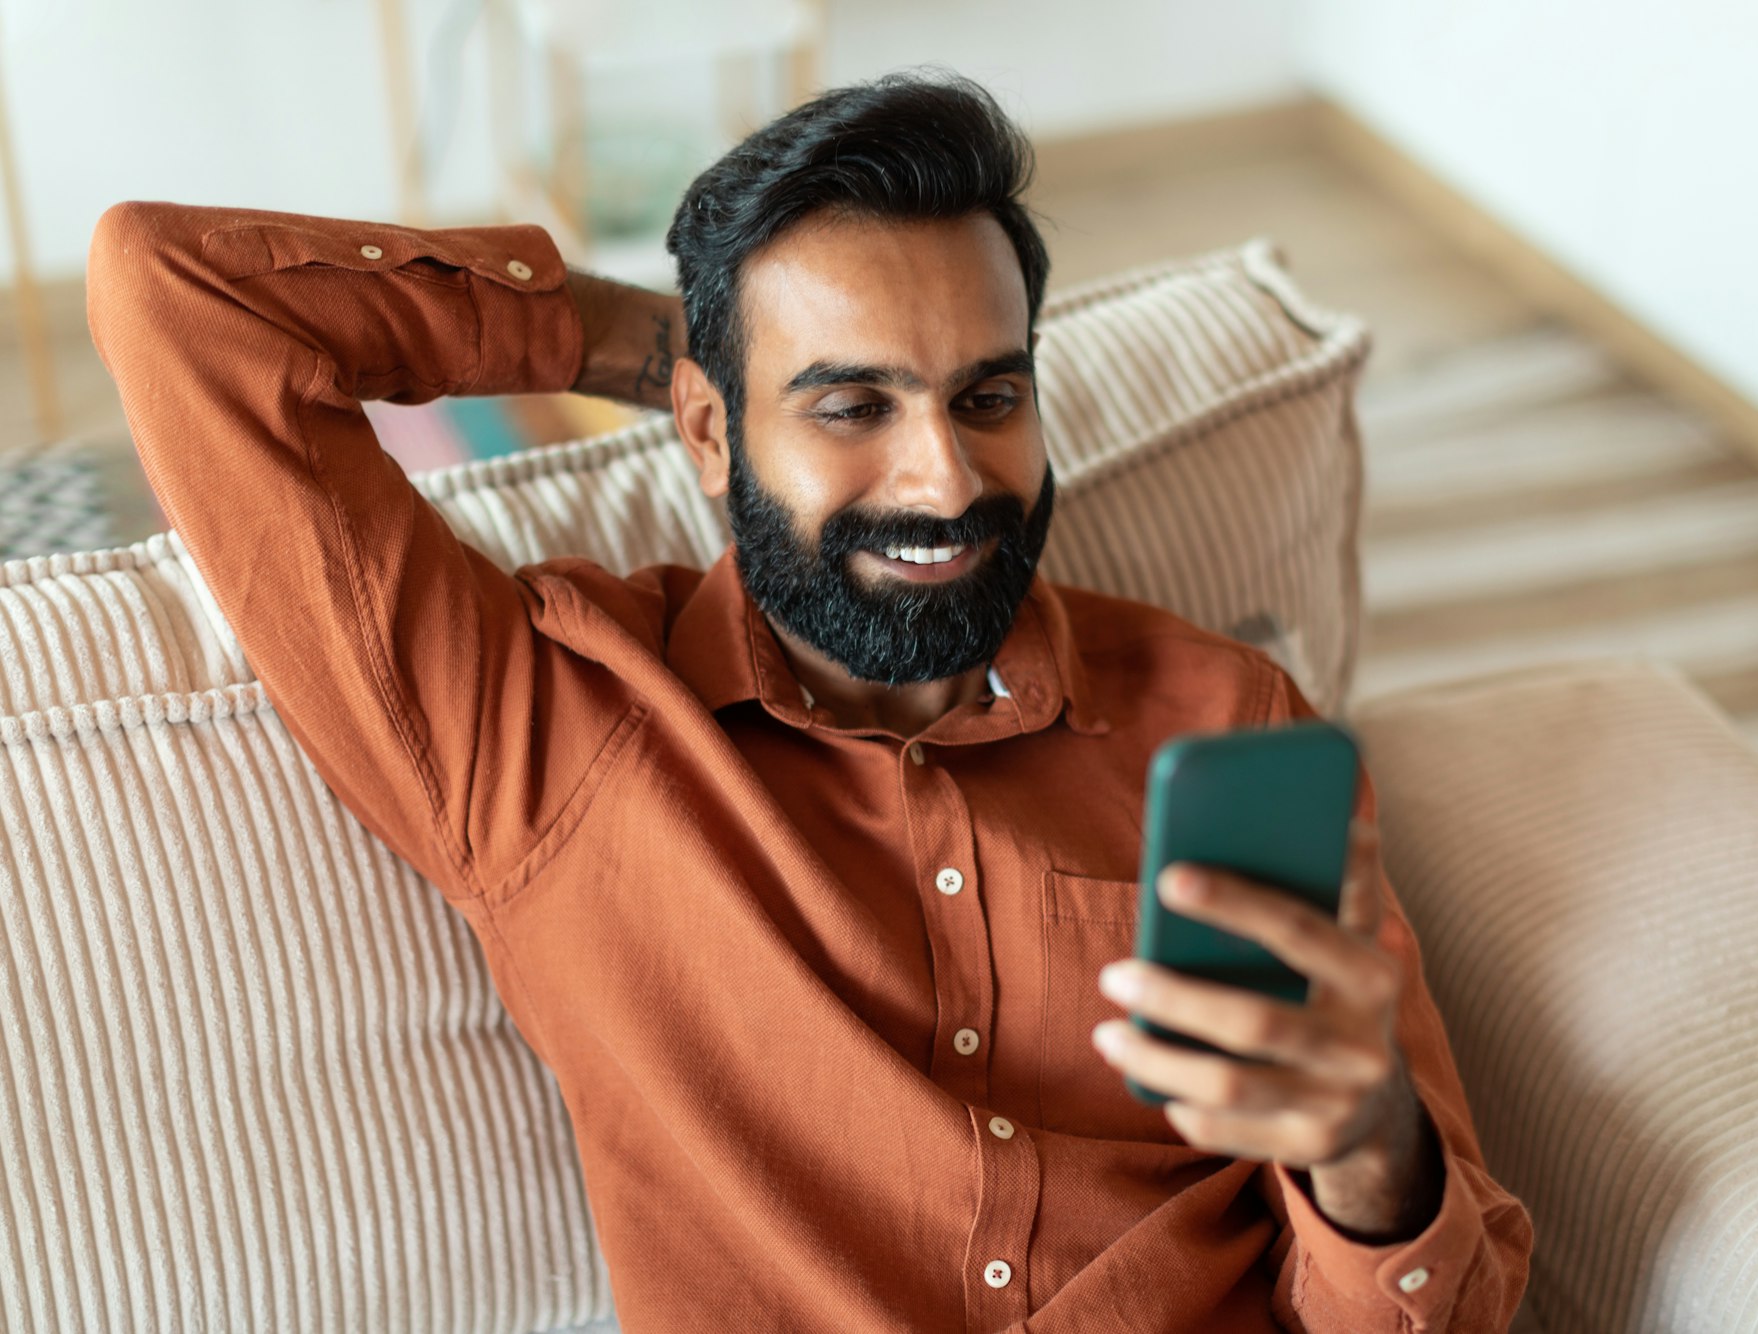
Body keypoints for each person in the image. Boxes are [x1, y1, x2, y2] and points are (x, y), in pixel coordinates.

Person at [86, 71, 1531, 1332]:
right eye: (851, 405)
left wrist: (1369, 1154)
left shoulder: (1224, 715)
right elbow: (179, 291)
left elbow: (1450, 1309)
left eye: (987, 396)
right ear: (711, 428)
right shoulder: (542, 727)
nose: (947, 482)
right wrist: (650, 345)